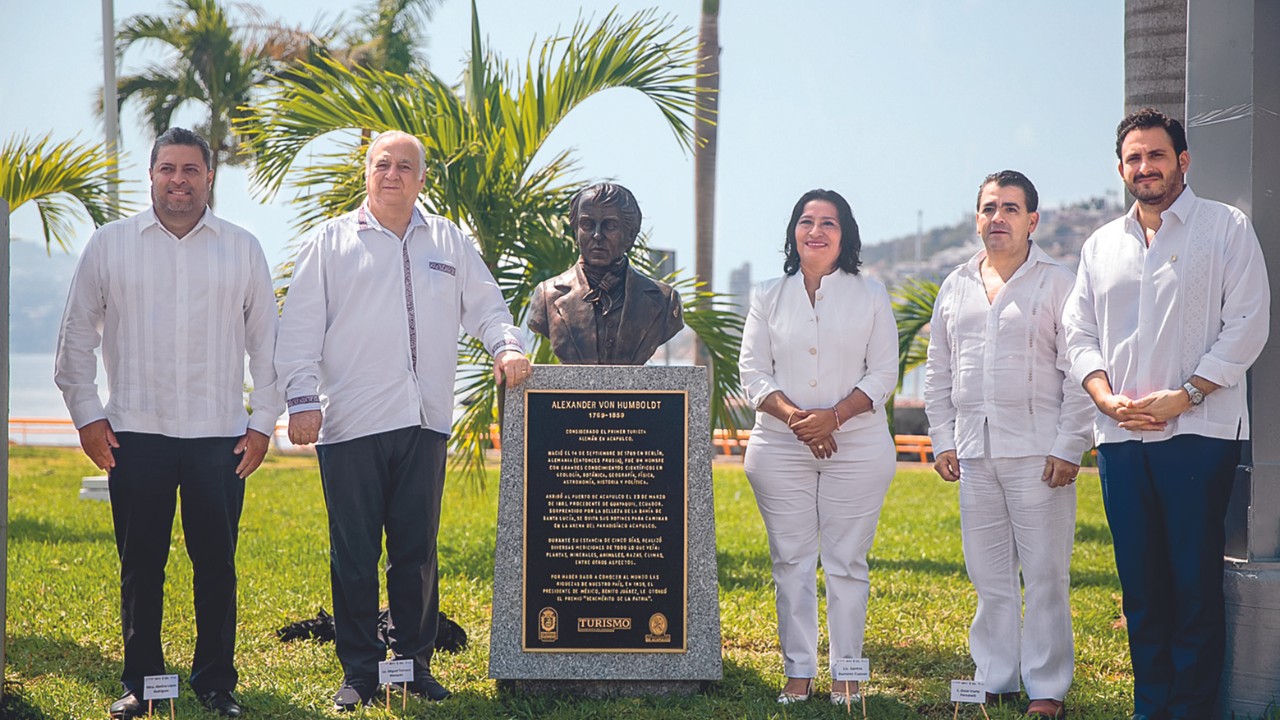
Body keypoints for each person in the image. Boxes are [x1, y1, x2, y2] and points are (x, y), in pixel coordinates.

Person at [274, 130, 531, 712]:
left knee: (416, 553)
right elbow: (299, 330)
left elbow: (487, 306)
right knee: (355, 554)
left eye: (405, 166)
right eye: (382, 164)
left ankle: (414, 667)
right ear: (367, 173)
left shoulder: (448, 240)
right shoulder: (331, 242)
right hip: (351, 425)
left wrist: (506, 348)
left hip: (426, 420)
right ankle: (361, 673)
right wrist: (300, 398)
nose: (392, 174)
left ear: (422, 177)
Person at [54, 127, 279, 719]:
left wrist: (262, 424)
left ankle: (215, 684)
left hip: (219, 436)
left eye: (191, 170)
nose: (178, 180)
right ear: (151, 174)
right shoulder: (110, 245)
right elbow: (75, 338)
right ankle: (142, 682)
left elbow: (268, 349)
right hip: (134, 432)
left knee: (216, 567)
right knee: (141, 565)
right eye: (167, 169)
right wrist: (87, 418)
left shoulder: (243, 247)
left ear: (210, 178)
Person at [1064, 108, 1269, 720]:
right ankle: (1151, 707)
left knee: (1192, 583)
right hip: (1121, 438)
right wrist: (1102, 396)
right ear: (1120, 167)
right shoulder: (1100, 244)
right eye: (1133, 158)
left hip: (1200, 432)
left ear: (1183, 160)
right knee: (1142, 589)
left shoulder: (1225, 227)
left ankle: (1191, 711)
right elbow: (1077, 333)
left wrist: (1187, 394)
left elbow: (1249, 322)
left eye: (1157, 155)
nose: (1145, 167)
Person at [925, 170, 1094, 719]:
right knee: (989, 576)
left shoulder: (1058, 282)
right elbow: (938, 373)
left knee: (1045, 575)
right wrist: (943, 439)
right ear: (977, 218)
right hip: (975, 455)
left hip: (1040, 455)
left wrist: (1070, 445)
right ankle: (994, 678)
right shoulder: (954, 285)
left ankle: (1046, 690)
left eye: (1010, 209)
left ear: (1032, 220)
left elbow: (1079, 371)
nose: (998, 218)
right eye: (989, 208)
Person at [738, 189, 898, 706]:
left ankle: (847, 674)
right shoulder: (766, 295)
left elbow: (884, 374)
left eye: (829, 222)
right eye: (806, 221)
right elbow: (753, 373)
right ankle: (799, 672)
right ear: (793, 232)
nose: (816, 231)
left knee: (847, 561)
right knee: (790, 559)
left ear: (845, 234)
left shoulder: (872, 294)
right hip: (779, 447)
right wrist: (798, 420)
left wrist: (833, 417)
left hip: (858, 446)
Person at [528, 182, 683, 365]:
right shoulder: (547, 296)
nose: (597, 235)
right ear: (575, 232)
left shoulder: (664, 300)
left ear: (631, 235)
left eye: (609, 226)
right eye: (587, 224)